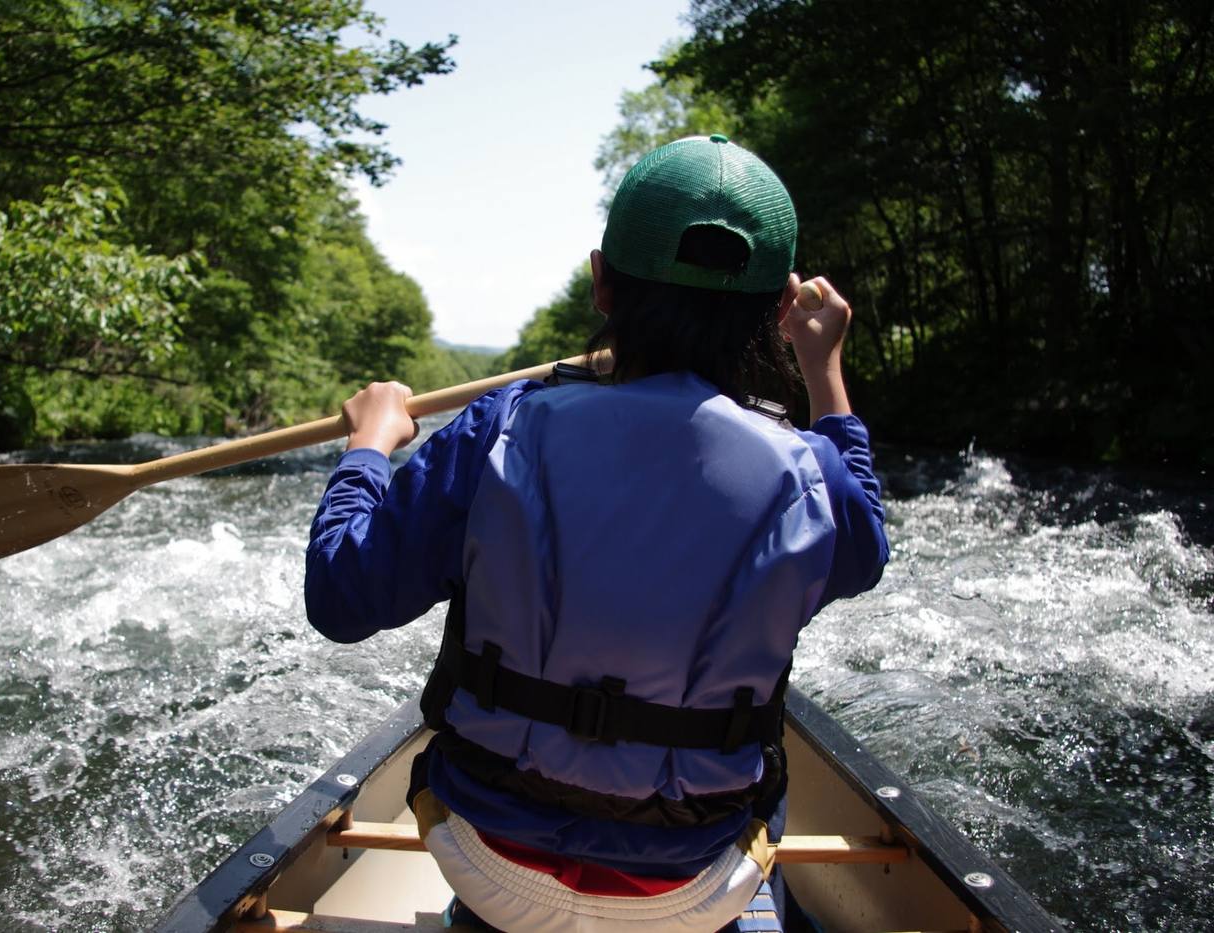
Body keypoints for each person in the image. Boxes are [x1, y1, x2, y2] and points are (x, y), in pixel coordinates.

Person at [305, 135, 889, 932]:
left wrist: (367, 445)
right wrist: (823, 370)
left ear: (601, 283)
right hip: (693, 880)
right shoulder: (811, 474)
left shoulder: (499, 428)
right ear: (779, 312)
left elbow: (342, 596)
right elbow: (864, 544)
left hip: (489, 859)